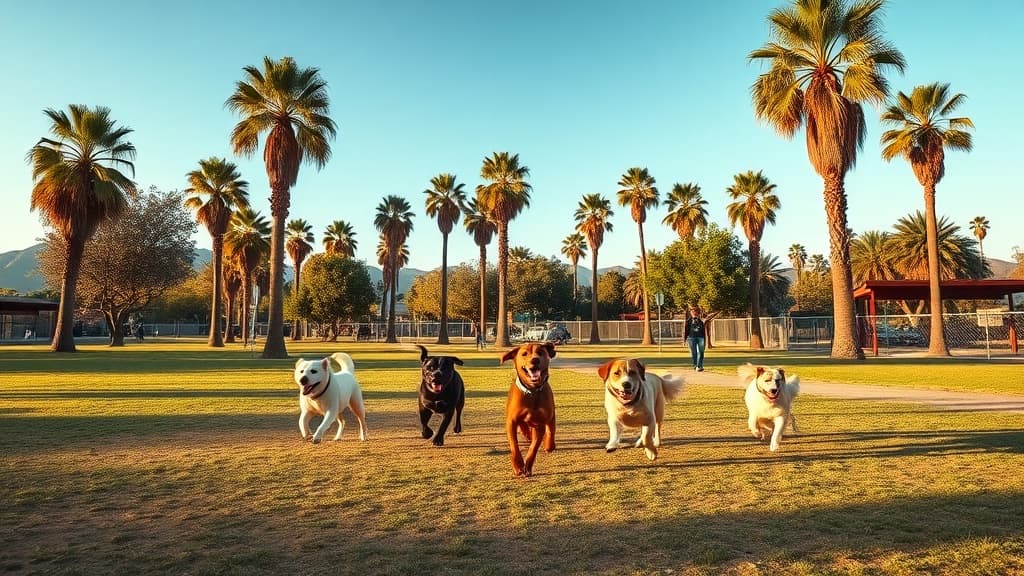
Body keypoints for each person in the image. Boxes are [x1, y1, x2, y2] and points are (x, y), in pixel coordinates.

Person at [684, 305, 717, 372]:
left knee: (701, 352)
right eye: (693, 312)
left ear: (698, 313)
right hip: (691, 338)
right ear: (691, 313)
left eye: (696, 312)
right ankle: (695, 365)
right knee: (694, 353)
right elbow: (686, 331)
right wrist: (685, 340)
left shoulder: (701, 321)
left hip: (700, 338)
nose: (694, 313)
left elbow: (703, 330)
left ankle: (699, 366)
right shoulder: (688, 321)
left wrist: (705, 340)